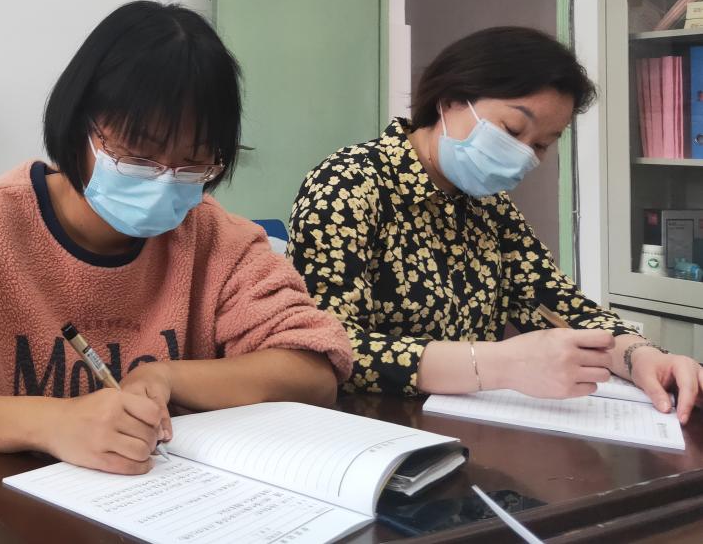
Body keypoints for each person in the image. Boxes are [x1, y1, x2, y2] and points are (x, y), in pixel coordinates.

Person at [0, 0, 354, 544]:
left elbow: (312, 368)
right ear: (80, 126)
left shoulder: (213, 239)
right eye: (139, 154)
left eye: (193, 164)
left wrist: (168, 377)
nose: (165, 180)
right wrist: (52, 422)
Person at [289, 25, 702, 421]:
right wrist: (500, 363)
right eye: (512, 129)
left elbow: (557, 304)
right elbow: (326, 348)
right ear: (452, 100)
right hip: (371, 429)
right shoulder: (348, 182)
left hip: (472, 423)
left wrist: (640, 356)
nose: (524, 155)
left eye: (541, 145)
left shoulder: (490, 207)